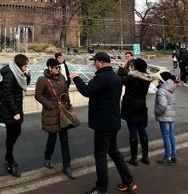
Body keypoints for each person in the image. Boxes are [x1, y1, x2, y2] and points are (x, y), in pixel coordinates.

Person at [71, 52, 137, 194]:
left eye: (95, 62)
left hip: (102, 123)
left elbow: (87, 91)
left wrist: (76, 78)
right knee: (113, 151)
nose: (94, 64)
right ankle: (129, 181)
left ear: (100, 62)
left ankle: (101, 189)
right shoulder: (116, 77)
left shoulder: (101, 77)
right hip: (113, 120)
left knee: (100, 156)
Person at [34, 58, 75, 179]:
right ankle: (47, 156)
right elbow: (38, 95)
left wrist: (67, 102)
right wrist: (49, 105)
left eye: (59, 67)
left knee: (64, 139)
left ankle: (67, 166)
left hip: (62, 112)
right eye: (56, 67)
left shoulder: (62, 77)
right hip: (51, 113)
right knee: (52, 137)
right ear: (49, 68)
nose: (58, 69)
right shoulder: (42, 80)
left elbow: (65, 91)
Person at [0, 53, 31, 178]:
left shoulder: (18, 73)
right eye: (25, 64)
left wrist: (27, 77)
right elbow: (8, 94)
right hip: (10, 111)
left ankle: (8, 155)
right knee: (12, 134)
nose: (26, 66)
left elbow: (23, 86)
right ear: (19, 64)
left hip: (16, 109)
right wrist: (15, 112)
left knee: (16, 132)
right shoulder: (10, 74)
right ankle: (10, 161)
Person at [118, 58, 155, 166]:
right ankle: (145, 156)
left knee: (133, 130)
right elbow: (131, 75)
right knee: (142, 129)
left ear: (135, 67)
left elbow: (119, 79)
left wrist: (121, 68)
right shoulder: (146, 79)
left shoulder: (131, 78)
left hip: (130, 106)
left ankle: (134, 158)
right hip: (141, 105)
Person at [154, 71, 177, 164]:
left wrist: (157, 112)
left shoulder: (162, 90)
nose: (158, 80)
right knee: (171, 135)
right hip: (171, 115)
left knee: (166, 136)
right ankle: (173, 155)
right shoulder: (171, 88)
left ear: (162, 80)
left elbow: (163, 105)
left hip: (164, 116)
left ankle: (168, 156)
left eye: (159, 79)